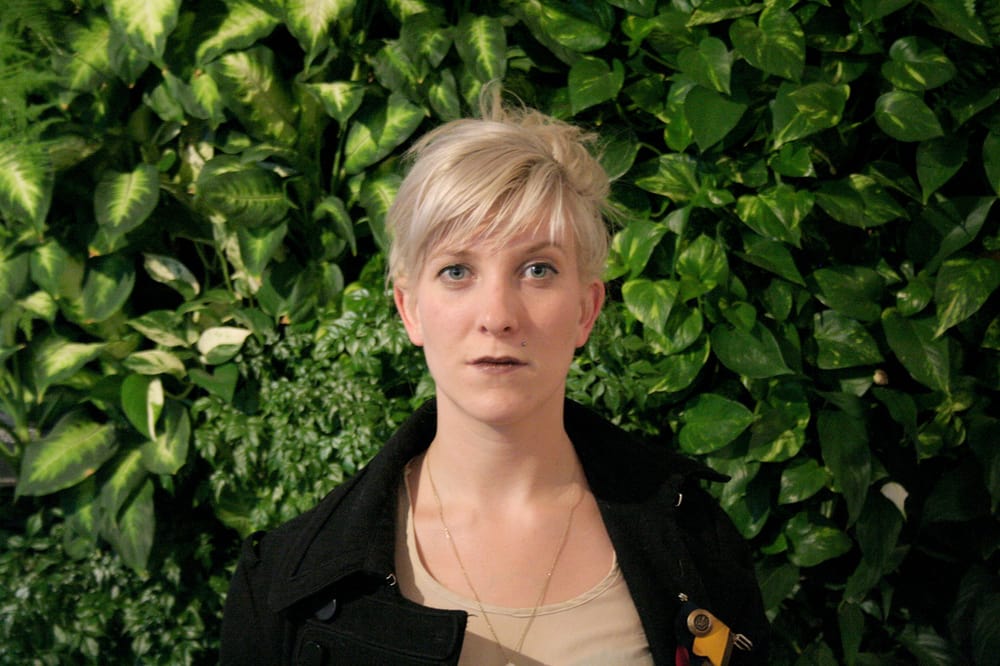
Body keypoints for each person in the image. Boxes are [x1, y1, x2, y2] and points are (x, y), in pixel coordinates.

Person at [220, 88, 769, 665]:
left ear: (586, 310)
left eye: (538, 269)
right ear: (410, 310)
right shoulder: (286, 583)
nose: (498, 316)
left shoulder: (696, 544)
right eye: (457, 271)